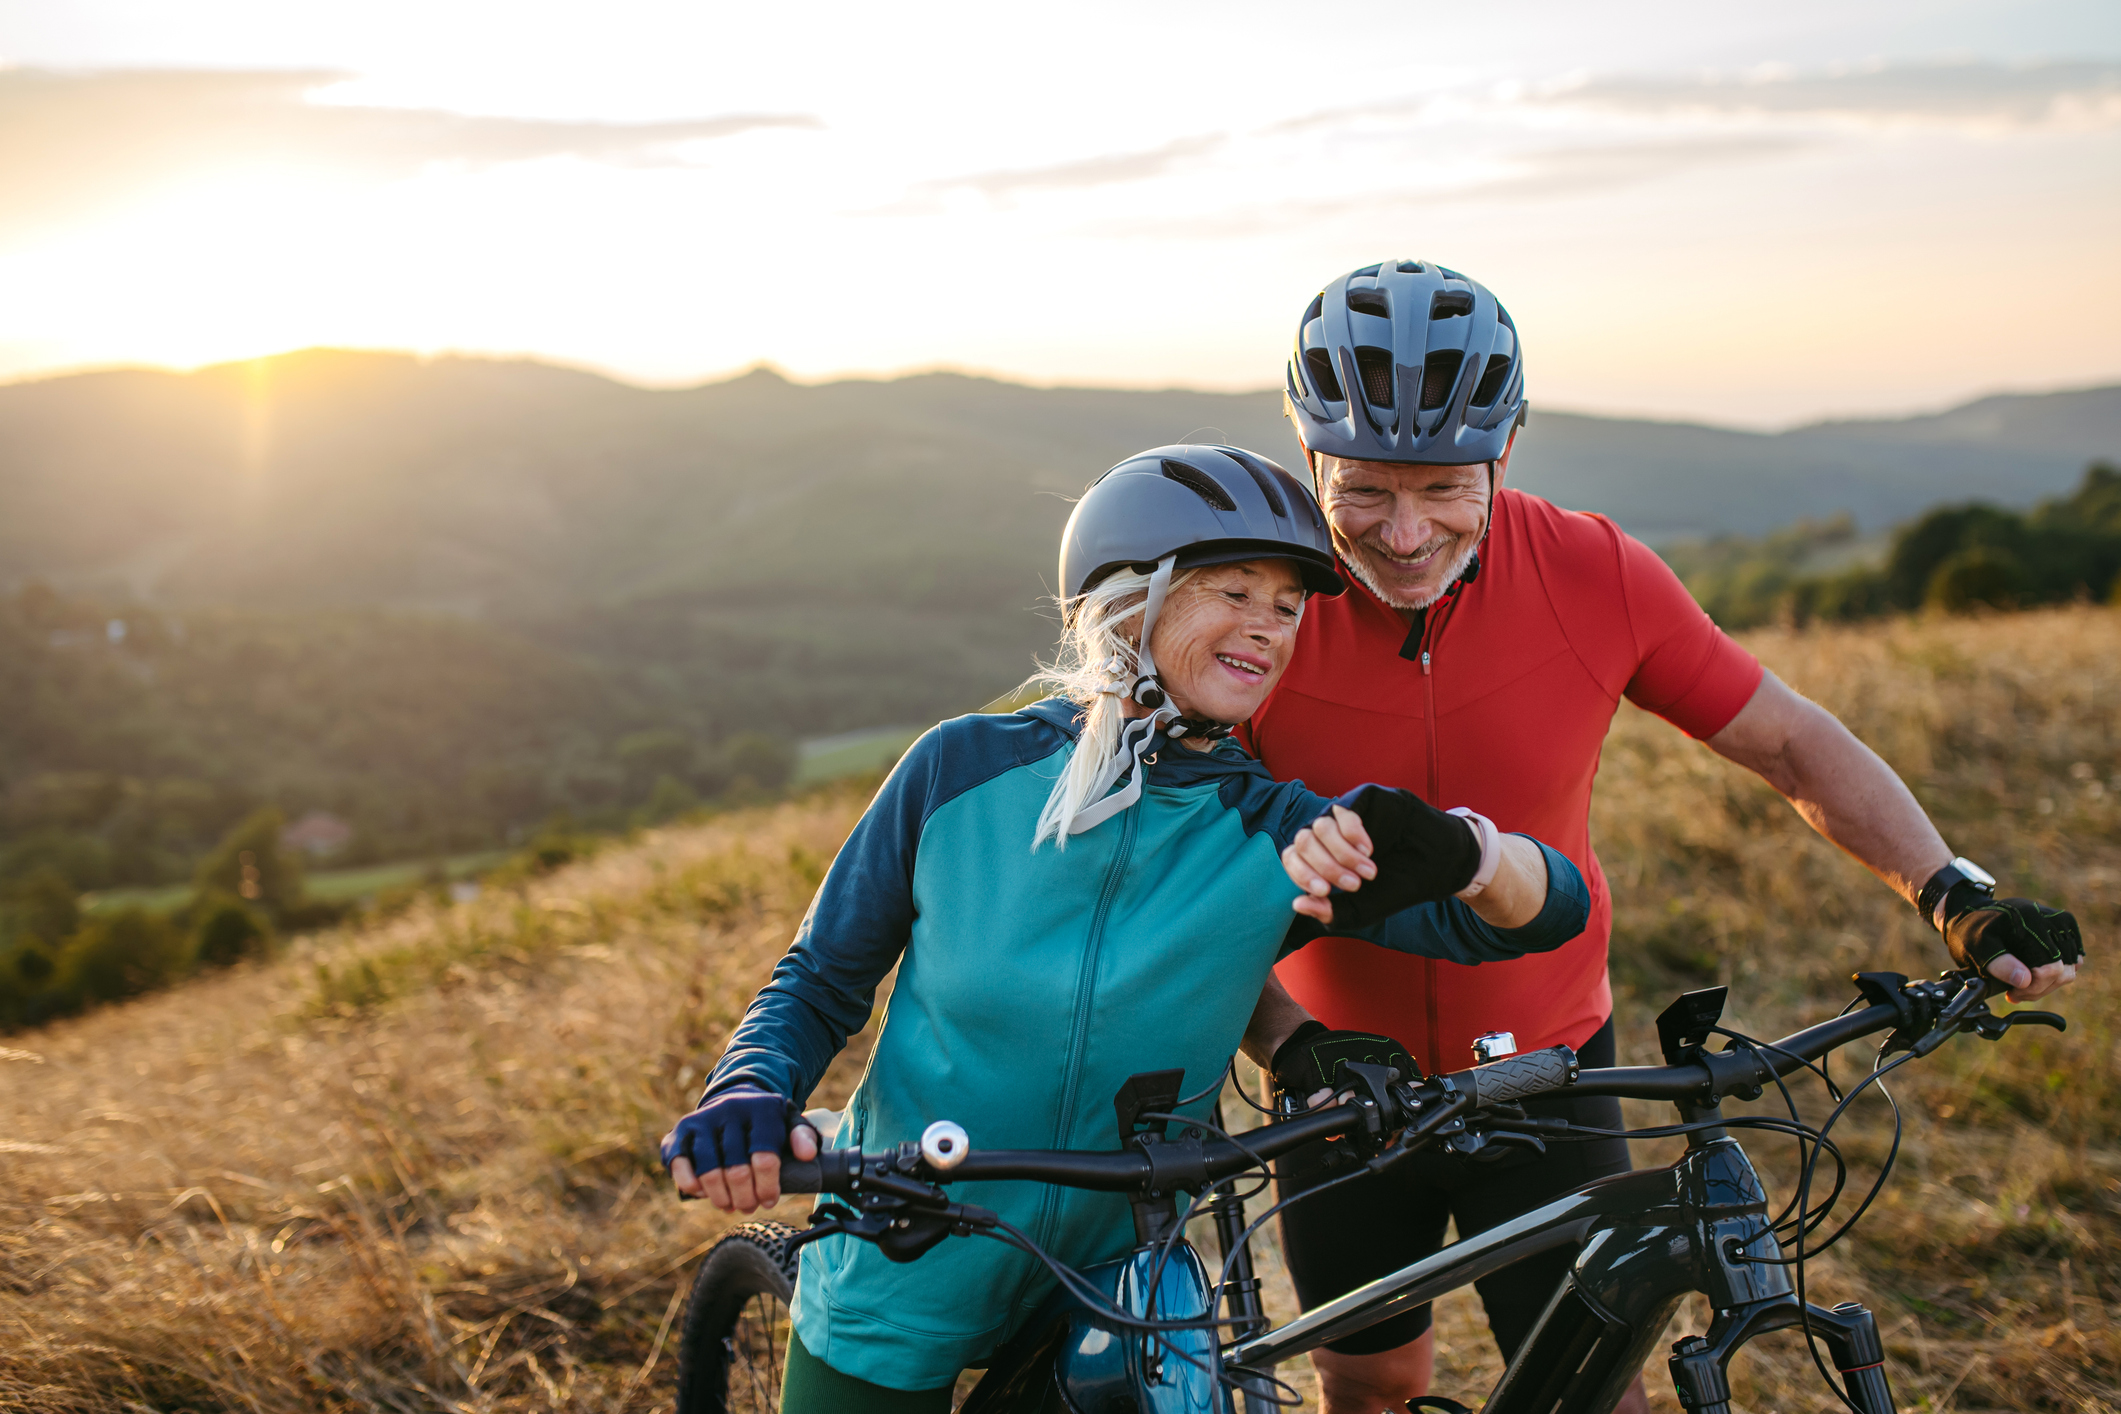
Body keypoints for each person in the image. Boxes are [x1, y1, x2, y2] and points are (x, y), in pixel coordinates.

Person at [1242, 258, 2088, 1414]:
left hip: (1547, 1065)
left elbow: (1789, 741)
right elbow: (1175, 863)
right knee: (1373, 1378)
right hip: (1337, 1081)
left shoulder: (1592, 575)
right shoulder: (1255, 605)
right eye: (1364, 491)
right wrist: (1288, 1044)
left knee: (1599, 1393)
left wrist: (1951, 891)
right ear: (1308, 459)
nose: (1403, 532)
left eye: (1443, 486)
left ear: (1506, 448)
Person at [659, 443, 1593, 1410]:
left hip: (1120, 1289)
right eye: (1232, 592)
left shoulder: (1278, 835)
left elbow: (1548, 911)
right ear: (1124, 600)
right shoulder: (959, 771)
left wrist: (1470, 854)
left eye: (1285, 608)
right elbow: (821, 978)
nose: (1266, 629)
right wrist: (750, 1087)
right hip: (905, 1243)